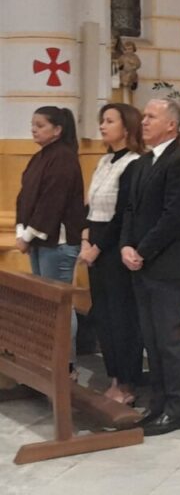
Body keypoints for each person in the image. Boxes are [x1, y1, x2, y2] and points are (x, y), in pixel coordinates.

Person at [120, 98, 180, 436]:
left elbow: (175, 217)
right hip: (142, 262)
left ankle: (177, 409)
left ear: (171, 124)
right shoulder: (142, 163)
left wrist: (142, 250)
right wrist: (125, 244)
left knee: (168, 338)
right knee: (150, 338)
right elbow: (130, 210)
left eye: (151, 116)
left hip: (166, 264)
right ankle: (158, 403)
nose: (144, 121)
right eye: (144, 117)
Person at [80, 103, 145, 404]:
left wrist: (96, 248)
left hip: (114, 248)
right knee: (103, 316)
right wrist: (84, 239)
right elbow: (90, 206)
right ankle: (114, 378)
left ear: (128, 127)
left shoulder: (133, 163)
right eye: (101, 120)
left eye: (109, 121)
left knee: (121, 317)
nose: (103, 126)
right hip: (94, 242)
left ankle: (128, 383)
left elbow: (121, 215)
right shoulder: (105, 160)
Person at [16, 106, 86, 376]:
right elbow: (25, 198)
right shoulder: (41, 157)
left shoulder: (64, 158)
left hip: (58, 242)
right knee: (44, 302)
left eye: (40, 125)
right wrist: (23, 232)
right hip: (40, 240)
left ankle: (65, 365)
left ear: (58, 130)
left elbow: (52, 202)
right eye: (33, 124)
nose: (34, 129)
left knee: (59, 304)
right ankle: (48, 359)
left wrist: (29, 235)